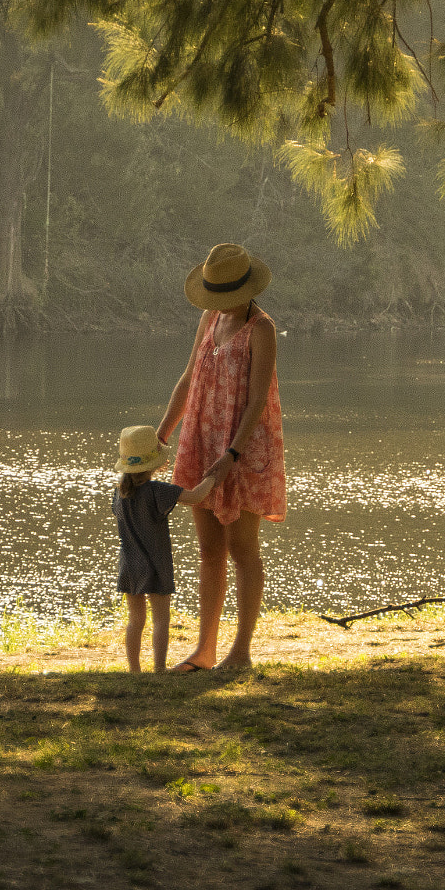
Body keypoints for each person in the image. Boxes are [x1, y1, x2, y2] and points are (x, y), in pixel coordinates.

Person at [156, 243, 286, 672]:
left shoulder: (261, 328)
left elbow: (256, 401)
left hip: (244, 447)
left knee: (242, 547)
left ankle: (241, 651)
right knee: (209, 549)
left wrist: (232, 454)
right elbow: (188, 379)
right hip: (202, 439)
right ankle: (205, 649)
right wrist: (161, 438)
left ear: (245, 290)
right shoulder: (210, 319)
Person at [111, 425, 222, 673]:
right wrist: (213, 477)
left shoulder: (119, 493)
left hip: (129, 566)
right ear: (154, 464)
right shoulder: (157, 491)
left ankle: (135, 671)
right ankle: (159, 669)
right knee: (161, 618)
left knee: (135, 621)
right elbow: (195, 496)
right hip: (155, 565)